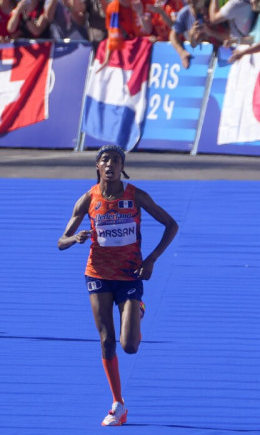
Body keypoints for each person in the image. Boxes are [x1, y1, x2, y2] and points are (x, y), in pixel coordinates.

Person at [57, 145, 178, 426]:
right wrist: (74, 239)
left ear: (121, 167)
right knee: (105, 339)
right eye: (105, 160)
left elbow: (171, 224)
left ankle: (138, 310)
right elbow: (60, 241)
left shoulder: (136, 196)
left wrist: (152, 260)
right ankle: (118, 404)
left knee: (130, 346)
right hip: (97, 274)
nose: (110, 164)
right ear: (98, 166)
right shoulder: (87, 199)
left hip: (129, 274)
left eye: (115, 160)